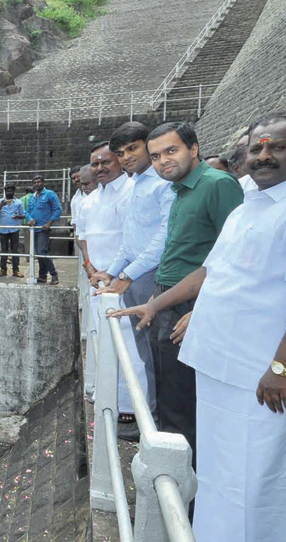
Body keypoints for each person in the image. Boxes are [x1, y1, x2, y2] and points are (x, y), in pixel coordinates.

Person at [109, 112, 286, 539]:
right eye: (256, 147)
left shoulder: (224, 189)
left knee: (258, 476)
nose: (263, 155)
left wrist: (280, 368)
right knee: (218, 471)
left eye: (276, 146)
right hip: (218, 364)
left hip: (259, 376)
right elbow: (211, 271)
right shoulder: (251, 205)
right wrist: (155, 304)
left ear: (193, 149)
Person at [113, 121, 243, 460]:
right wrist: (155, 302)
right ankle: (170, 479)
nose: (162, 161)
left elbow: (232, 260)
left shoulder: (218, 185)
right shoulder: (178, 190)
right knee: (169, 395)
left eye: (171, 151)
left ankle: (183, 497)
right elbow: (177, 252)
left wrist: (201, 310)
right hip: (169, 298)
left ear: (194, 148)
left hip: (193, 304)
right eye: (156, 156)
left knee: (185, 405)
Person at [92, 122, 175, 425]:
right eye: (120, 152)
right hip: (136, 279)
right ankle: (150, 421)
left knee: (160, 359)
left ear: (147, 145)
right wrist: (111, 272)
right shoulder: (138, 182)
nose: (126, 157)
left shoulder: (165, 182)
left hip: (156, 279)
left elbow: (163, 238)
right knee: (146, 356)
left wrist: (124, 275)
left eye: (132, 149)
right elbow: (132, 239)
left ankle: (159, 425)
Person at [77, 142, 148, 436]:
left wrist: (118, 274)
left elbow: (135, 242)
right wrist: (90, 266)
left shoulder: (133, 192)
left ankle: (131, 410)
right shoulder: (90, 200)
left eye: (106, 162)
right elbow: (83, 236)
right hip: (99, 281)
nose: (100, 168)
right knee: (102, 342)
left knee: (129, 347)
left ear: (119, 161)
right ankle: (110, 403)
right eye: (95, 164)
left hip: (125, 281)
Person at [27, 175, 62, 285]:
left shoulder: (50, 194)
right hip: (34, 229)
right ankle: (42, 276)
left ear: (43, 182)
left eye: (39, 182)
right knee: (39, 252)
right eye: (35, 182)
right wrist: (30, 219)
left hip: (43, 229)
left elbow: (57, 209)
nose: (37, 184)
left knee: (42, 251)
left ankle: (54, 274)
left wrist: (49, 223)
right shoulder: (32, 197)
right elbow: (27, 211)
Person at [0, 184, 25, 277]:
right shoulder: (0, 201)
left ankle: (16, 270)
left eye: (11, 191)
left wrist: (17, 216)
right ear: (5, 191)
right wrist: (0, 205)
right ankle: (3, 269)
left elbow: (23, 215)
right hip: (3, 230)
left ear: (14, 191)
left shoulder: (18, 202)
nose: (9, 192)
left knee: (15, 250)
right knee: (4, 250)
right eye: (7, 191)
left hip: (14, 229)